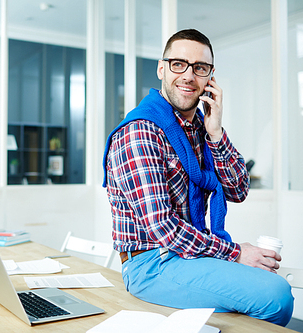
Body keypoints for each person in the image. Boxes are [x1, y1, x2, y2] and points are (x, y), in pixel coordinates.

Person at [103, 29, 293, 326]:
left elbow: (238, 189)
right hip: (151, 264)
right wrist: (236, 253)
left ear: (210, 78)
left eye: (200, 68)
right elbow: (162, 226)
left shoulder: (201, 130)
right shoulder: (141, 131)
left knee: (258, 293)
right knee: (275, 294)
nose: (189, 75)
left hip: (188, 256)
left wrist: (216, 131)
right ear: (161, 68)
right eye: (179, 64)